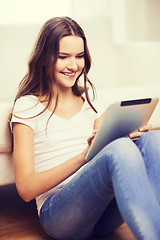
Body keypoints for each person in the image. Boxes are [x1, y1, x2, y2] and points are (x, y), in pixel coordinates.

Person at [10, 16, 160, 240]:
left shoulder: (91, 99)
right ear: (44, 58)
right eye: (63, 57)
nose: (74, 65)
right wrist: (85, 156)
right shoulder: (27, 106)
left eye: (79, 56)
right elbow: (25, 189)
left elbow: (109, 148)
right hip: (60, 216)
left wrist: (129, 135)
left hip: (102, 217)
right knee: (119, 149)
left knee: (151, 140)